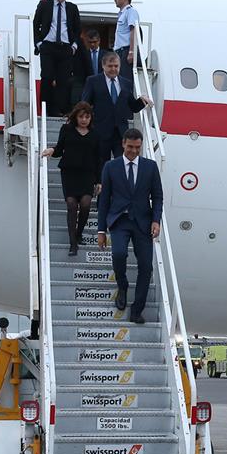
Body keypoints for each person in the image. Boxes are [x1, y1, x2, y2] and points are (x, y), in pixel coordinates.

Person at [96, 128, 163, 325]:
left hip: (143, 222)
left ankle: (137, 309)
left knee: (146, 267)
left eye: (137, 148)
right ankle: (122, 286)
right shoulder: (111, 167)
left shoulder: (150, 167)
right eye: (130, 147)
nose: (134, 151)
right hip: (120, 220)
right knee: (118, 254)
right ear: (123, 144)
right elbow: (104, 201)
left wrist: (156, 220)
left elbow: (157, 197)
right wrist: (101, 230)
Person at [42, 101, 102, 256]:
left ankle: (79, 232)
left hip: (87, 174)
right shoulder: (67, 129)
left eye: (87, 117)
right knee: (71, 204)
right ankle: (73, 243)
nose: (84, 120)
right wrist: (51, 150)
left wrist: (99, 180)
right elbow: (59, 149)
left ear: (91, 118)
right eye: (81, 116)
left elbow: (99, 159)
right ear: (76, 116)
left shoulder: (96, 134)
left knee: (86, 204)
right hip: (69, 172)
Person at [80, 53, 152, 164]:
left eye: (116, 66)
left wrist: (142, 101)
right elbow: (84, 104)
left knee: (121, 163)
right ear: (103, 66)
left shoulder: (126, 83)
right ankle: (101, 182)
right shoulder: (93, 81)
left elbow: (133, 107)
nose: (113, 69)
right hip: (100, 130)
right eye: (110, 66)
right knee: (101, 163)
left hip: (121, 133)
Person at [33, 0, 82, 117]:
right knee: (47, 77)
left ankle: (60, 109)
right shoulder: (44, 5)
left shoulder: (72, 8)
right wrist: (38, 44)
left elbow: (77, 29)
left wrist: (74, 46)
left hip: (65, 48)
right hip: (48, 46)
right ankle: (45, 108)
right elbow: (36, 24)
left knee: (63, 80)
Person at [73, 29, 109, 102]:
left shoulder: (106, 54)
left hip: (103, 86)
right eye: (90, 42)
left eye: (94, 42)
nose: (92, 44)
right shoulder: (83, 55)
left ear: (99, 41)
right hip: (88, 86)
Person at [112, 0, 140, 74]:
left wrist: (131, 51)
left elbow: (133, 31)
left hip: (126, 50)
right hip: (119, 51)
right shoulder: (122, 13)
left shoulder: (130, 11)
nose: (115, 0)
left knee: (125, 78)